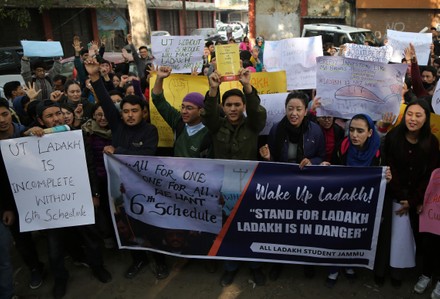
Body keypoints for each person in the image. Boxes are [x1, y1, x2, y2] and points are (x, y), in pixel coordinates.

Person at [85, 56, 169, 280]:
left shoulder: (150, 131)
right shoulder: (117, 125)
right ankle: (138, 260)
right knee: (126, 226)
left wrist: (118, 151)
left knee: (151, 227)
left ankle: (160, 261)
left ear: (143, 112)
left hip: (145, 189)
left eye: (134, 110)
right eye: (126, 111)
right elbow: (103, 99)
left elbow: (147, 154)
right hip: (120, 189)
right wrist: (94, 76)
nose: (130, 115)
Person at [28, 100, 112, 298]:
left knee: (91, 238)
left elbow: (90, 165)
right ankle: (60, 279)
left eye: (58, 113)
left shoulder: (76, 135)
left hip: (79, 197)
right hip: (52, 204)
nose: (56, 118)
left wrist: (94, 194)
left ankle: (98, 267)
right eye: (49, 116)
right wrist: (28, 133)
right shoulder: (31, 140)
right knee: (55, 247)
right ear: (40, 120)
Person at [202, 68, 267, 286]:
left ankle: (255, 266)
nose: (232, 109)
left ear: (244, 107)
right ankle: (230, 266)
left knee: (250, 227)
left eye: (237, 105)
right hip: (223, 188)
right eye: (228, 105)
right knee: (227, 229)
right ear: (223, 106)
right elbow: (208, 114)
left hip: (249, 186)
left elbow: (258, 112)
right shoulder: (216, 125)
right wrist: (213, 89)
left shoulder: (253, 125)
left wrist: (247, 86)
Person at [377, 99, 439, 288]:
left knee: (408, 237)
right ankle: (380, 270)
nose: (412, 119)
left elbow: (431, 174)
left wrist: (412, 201)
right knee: (387, 235)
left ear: (426, 119)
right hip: (392, 193)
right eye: (409, 114)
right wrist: (400, 196)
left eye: (418, 115)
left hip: (419, 198)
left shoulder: (432, 142)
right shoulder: (394, 136)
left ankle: (400, 272)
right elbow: (389, 167)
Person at [326, 114, 392, 287]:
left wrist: (387, 177)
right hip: (342, 199)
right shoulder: (343, 146)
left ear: (370, 133)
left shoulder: (378, 151)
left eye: (360, 131)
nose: (354, 135)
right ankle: (333, 269)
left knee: (354, 234)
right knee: (338, 233)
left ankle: (349, 265)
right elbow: (334, 167)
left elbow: (383, 175)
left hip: (363, 203)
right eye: (352, 130)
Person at [152, 66, 210, 158]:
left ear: (201, 111)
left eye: (189, 108)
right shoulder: (178, 121)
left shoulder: (209, 131)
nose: (184, 111)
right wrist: (159, 78)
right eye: (182, 107)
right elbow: (158, 101)